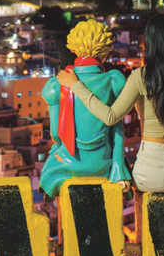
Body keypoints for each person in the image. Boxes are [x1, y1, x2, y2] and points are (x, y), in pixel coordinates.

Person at [58, 13, 164, 193]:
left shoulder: (141, 77)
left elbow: (110, 117)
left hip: (152, 170)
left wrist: (76, 85)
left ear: (150, 42)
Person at [38, 19, 132, 200]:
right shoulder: (114, 81)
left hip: (69, 165)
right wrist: (118, 168)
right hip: (104, 165)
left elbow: (56, 134)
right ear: (105, 50)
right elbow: (117, 131)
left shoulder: (55, 85)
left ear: (73, 48)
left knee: (52, 163)